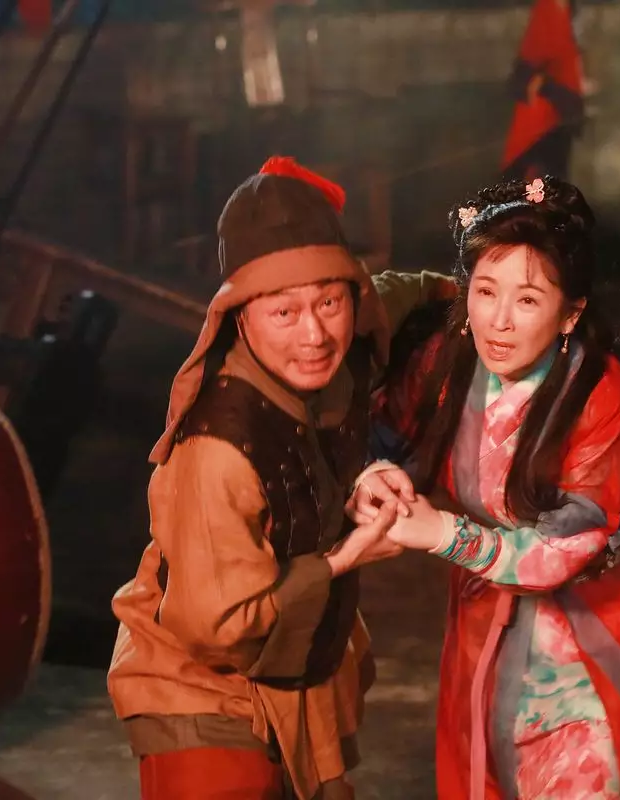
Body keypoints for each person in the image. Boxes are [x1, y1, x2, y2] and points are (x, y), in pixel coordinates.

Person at [108, 156, 456, 800]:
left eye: (329, 301)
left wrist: (505, 305)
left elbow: (422, 292)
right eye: (284, 313)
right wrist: (344, 557)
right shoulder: (218, 447)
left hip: (302, 674)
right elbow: (218, 628)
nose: (314, 334)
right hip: (204, 683)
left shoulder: (352, 328)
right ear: (240, 314)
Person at [350, 175, 620, 799]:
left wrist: (445, 532)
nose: (499, 322)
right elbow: (381, 437)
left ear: (570, 313)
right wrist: (374, 477)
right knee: (490, 767)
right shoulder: (444, 362)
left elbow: (564, 547)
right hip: (491, 618)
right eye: (485, 292)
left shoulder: (598, 393)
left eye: (528, 299)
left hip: (595, 631)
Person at [501, 0, 586, 182]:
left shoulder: (563, 12)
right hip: (545, 108)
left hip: (558, 105)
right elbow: (538, 51)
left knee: (552, 170)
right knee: (538, 170)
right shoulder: (548, 9)